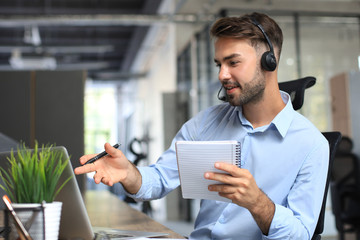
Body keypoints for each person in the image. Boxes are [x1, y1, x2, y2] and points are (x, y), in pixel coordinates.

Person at [75, 12, 329, 240]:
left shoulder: (311, 145)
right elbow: (160, 179)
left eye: (233, 62)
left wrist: (258, 203)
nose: (222, 75)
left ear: (269, 61)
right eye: (219, 64)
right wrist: (130, 173)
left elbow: (299, 235)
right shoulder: (207, 122)